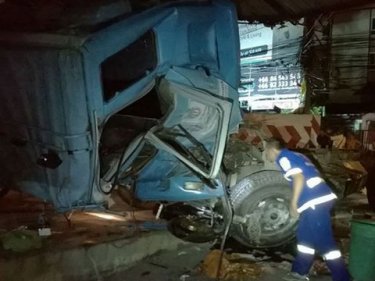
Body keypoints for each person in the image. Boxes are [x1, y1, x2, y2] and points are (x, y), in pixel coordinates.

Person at [264, 138, 350, 281]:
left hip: (314, 202)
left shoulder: (283, 158)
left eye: (265, 151)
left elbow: (298, 177)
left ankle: (342, 277)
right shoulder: (297, 155)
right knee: (305, 239)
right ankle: (299, 272)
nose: (266, 155)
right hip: (314, 202)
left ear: (272, 149)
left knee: (324, 242)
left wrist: (293, 203)